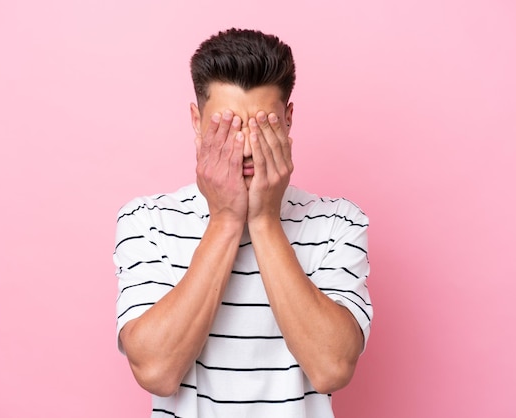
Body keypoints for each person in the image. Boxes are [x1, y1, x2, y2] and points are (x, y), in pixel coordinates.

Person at [114, 28, 373, 418]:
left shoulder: (338, 223)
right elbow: (156, 371)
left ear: (287, 120)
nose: (248, 147)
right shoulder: (147, 221)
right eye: (229, 127)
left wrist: (265, 218)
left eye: (262, 126)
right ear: (197, 121)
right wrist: (226, 219)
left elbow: (331, 368)